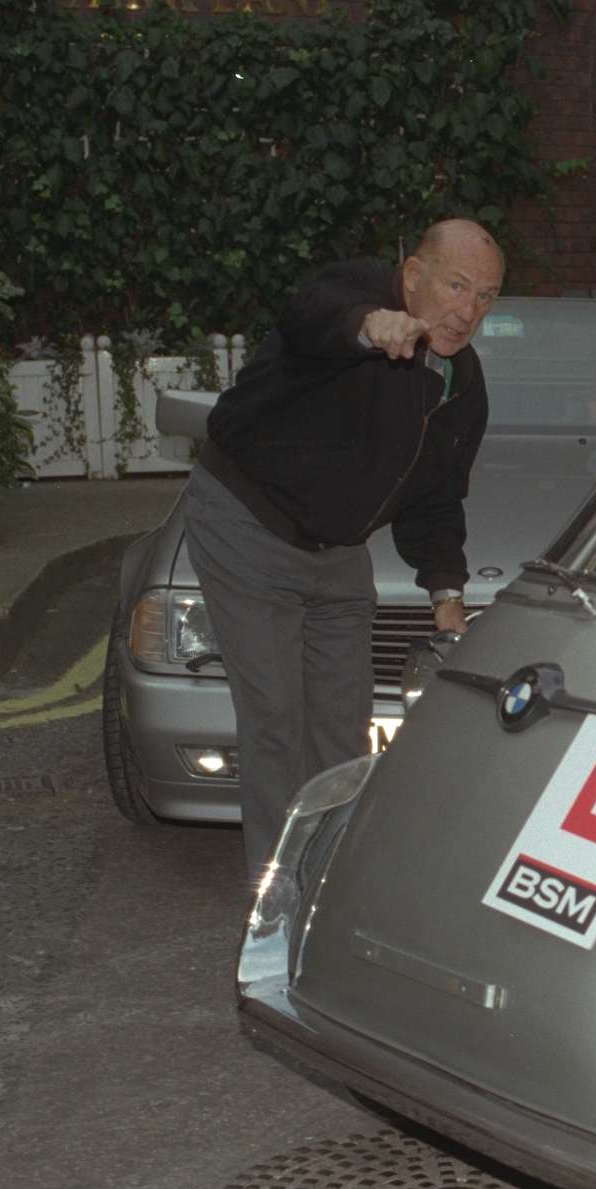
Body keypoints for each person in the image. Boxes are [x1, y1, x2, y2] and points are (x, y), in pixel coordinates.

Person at [183, 219, 504, 878]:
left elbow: (436, 500)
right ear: (412, 275)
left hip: (337, 551)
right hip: (246, 521)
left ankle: (329, 880)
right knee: (276, 720)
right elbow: (311, 315)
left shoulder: (462, 386)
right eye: (456, 286)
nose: (467, 310)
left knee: (342, 728)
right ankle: (277, 898)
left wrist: (448, 600)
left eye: (485, 297)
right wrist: (371, 326)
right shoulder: (355, 294)